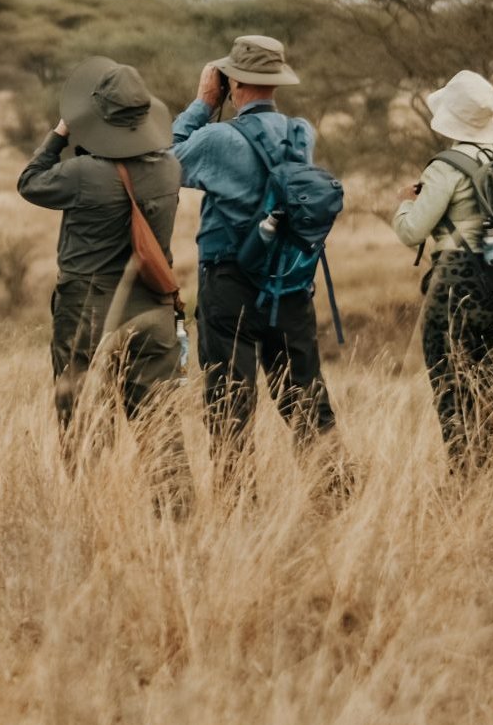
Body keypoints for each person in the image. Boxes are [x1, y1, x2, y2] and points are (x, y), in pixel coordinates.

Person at [171, 35, 338, 477]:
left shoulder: (216, 138)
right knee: (305, 396)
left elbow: (168, 164)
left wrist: (204, 103)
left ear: (233, 83)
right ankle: (337, 494)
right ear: (276, 82)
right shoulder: (302, 133)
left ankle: (237, 507)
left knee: (230, 401)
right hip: (290, 279)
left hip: (230, 281)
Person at [17, 56, 187, 481]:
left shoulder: (82, 173)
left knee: (84, 423)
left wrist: (60, 134)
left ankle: (91, 511)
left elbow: (30, 182)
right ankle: (177, 522)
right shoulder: (169, 168)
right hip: (153, 307)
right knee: (161, 426)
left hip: (87, 311)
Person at [393, 70, 493, 473]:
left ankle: (466, 476)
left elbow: (412, 231)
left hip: (455, 281)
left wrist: (404, 204)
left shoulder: (445, 167)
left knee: (451, 386)